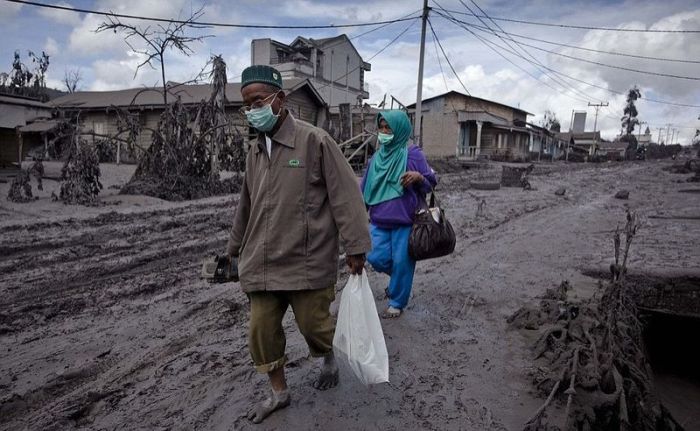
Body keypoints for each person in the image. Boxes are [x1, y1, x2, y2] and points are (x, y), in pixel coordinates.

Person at [225, 65, 371, 424]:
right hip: (261, 258)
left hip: (307, 257)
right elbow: (247, 203)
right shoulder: (255, 151)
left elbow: (345, 195)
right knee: (260, 330)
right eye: (246, 104)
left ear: (280, 99)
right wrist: (233, 250)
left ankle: (327, 356)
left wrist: (355, 247)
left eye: (257, 101)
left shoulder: (315, 141)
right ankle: (279, 392)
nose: (252, 109)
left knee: (314, 325)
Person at [361, 110, 437, 318]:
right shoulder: (376, 158)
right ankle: (400, 281)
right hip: (378, 220)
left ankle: (397, 302)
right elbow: (365, 188)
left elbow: (431, 183)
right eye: (382, 127)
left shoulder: (413, 155)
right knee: (376, 257)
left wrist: (418, 177)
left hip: (406, 222)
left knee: (403, 262)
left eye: (389, 128)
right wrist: (358, 214)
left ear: (400, 130)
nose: (384, 132)